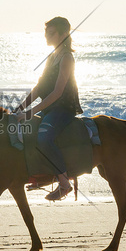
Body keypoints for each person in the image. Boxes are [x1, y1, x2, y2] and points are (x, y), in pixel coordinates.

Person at [15, 17, 83, 201]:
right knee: (26, 132)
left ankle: (63, 183)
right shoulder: (52, 56)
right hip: (49, 109)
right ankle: (42, 175)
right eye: (46, 32)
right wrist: (19, 108)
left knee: (44, 138)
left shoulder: (67, 57)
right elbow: (39, 88)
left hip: (63, 109)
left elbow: (57, 93)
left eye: (51, 33)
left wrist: (29, 112)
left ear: (63, 34)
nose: (46, 35)